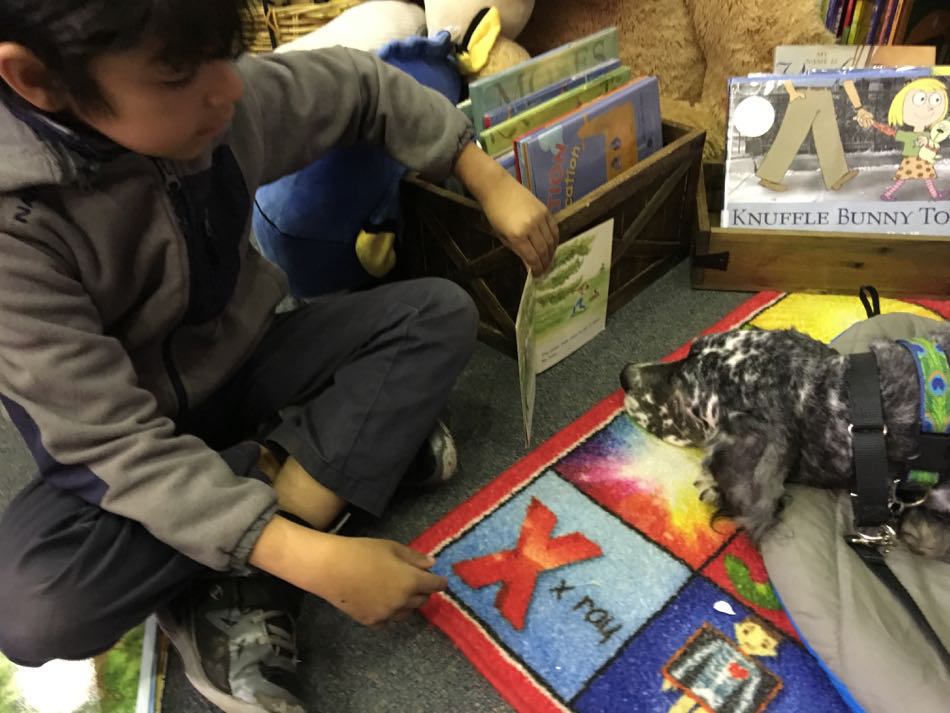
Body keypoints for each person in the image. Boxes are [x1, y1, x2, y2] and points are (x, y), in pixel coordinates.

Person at [0, 2, 559, 711]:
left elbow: (364, 84)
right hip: (126, 436)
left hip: (251, 360)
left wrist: (483, 173)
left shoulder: (224, 97)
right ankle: (308, 477)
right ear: (37, 80)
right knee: (35, 608)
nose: (229, 88)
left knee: (440, 313)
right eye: (178, 74)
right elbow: (108, 446)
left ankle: (255, 518)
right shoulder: (14, 232)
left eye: (226, 52)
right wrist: (311, 556)